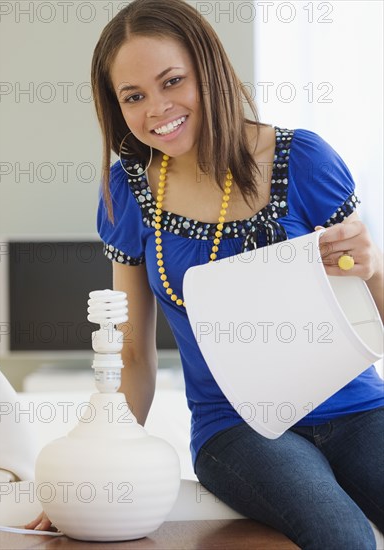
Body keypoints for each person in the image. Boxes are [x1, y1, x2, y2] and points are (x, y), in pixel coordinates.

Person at [27, 0, 384, 547]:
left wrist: (374, 261)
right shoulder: (130, 192)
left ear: (209, 68)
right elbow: (132, 355)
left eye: (173, 81)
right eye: (134, 96)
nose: (158, 108)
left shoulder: (304, 159)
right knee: (344, 536)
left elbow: (373, 294)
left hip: (359, 409)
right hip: (237, 428)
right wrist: (92, 471)